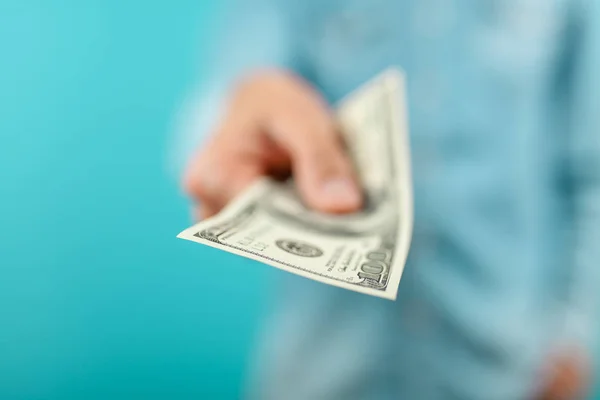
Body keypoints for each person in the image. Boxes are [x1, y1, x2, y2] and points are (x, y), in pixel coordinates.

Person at [175, 0, 600, 398]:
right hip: (324, 368)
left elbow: (588, 166)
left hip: (506, 368)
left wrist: (573, 334)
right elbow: (225, 105)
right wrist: (229, 137)